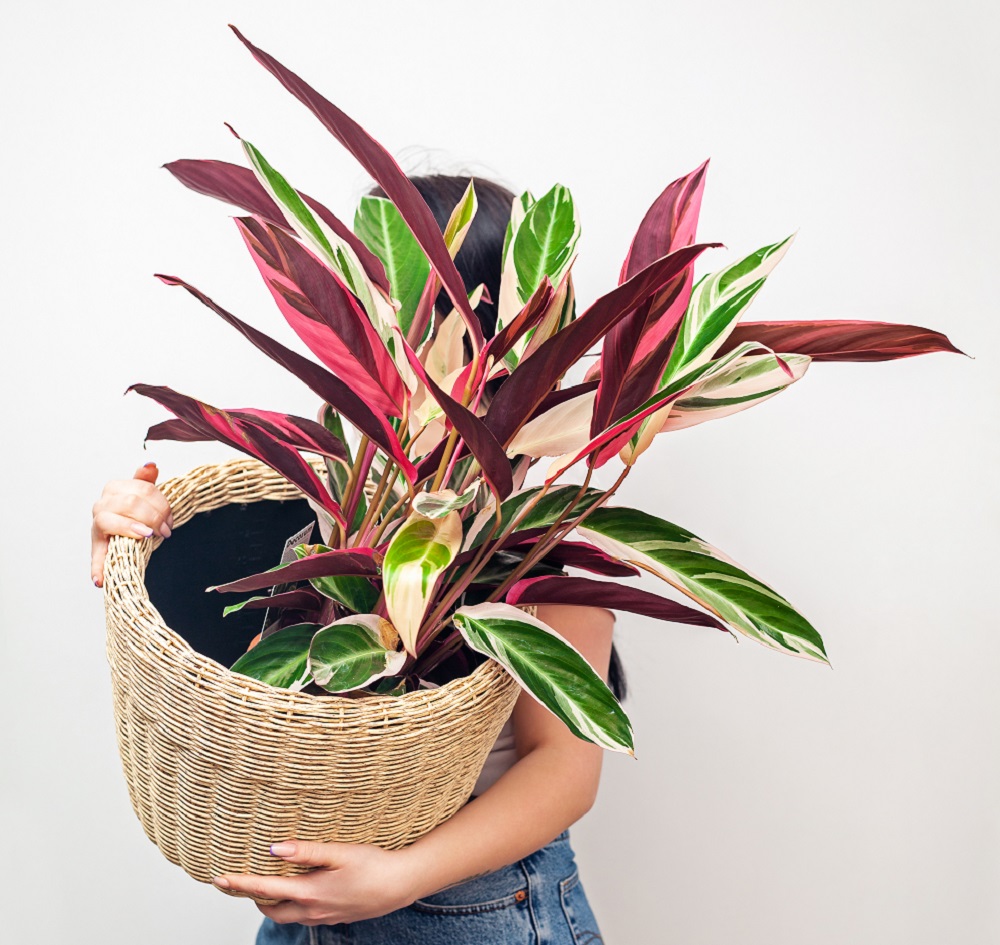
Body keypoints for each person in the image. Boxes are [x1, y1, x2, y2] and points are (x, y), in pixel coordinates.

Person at [91, 174, 621, 945]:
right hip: (311, 908)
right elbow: (234, 640)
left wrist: (397, 880)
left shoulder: (543, 526)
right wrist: (131, 529)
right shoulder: (345, 479)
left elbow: (565, 771)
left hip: (469, 909)